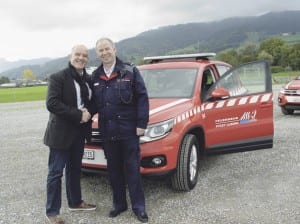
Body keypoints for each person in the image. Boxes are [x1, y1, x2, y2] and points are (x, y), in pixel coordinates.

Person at [92, 37, 149, 223]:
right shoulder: (95, 76)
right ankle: (119, 204)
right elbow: (92, 103)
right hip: (108, 133)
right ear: (97, 54)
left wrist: (141, 124)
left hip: (128, 131)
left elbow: (142, 98)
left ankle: (139, 207)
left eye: (107, 49)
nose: (104, 53)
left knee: (133, 169)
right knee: (114, 171)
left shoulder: (130, 71)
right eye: (100, 50)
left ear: (114, 49)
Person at [44, 44, 96, 224]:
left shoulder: (88, 79)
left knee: (74, 170)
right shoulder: (58, 77)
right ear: (70, 56)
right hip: (61, 133)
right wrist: (79, 114)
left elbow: (92, 101)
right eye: (77, 54)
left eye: (84, 55)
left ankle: (75, 202)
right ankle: (52, 212)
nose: (81, 58)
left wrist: (89, 111)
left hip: (80, 132)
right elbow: (52, 103)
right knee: (56, 172)